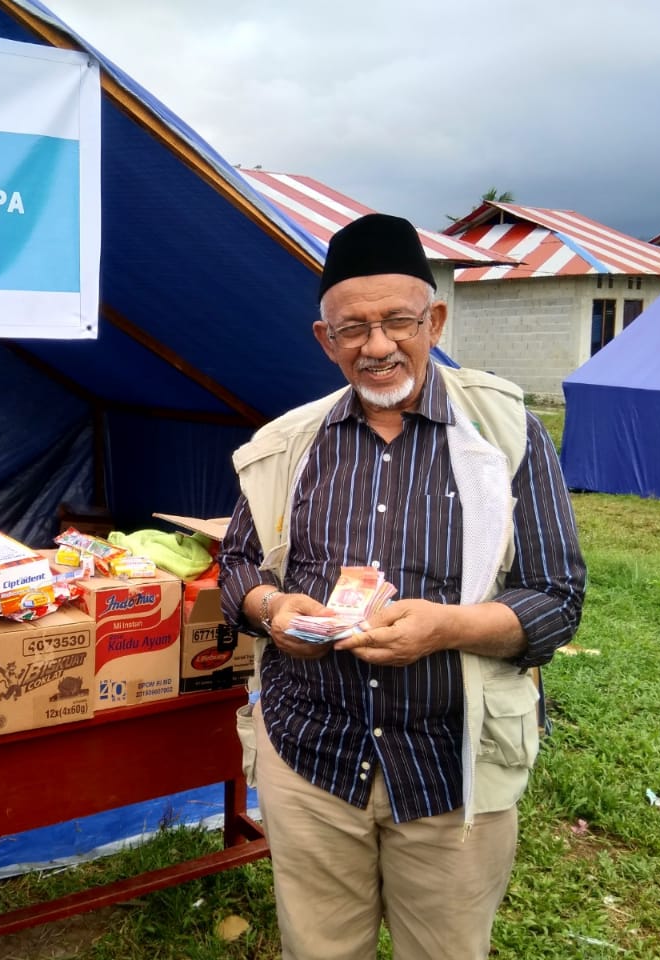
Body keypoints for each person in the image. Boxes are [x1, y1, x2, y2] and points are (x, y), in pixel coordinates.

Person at [220, 213, 586, 960]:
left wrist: (446, 628)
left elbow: (557, 599)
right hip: (311, 761)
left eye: (398, 321)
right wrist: (273, 608)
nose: (378, 346)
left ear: (436, 320)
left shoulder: (506, 432)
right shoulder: (288, 445)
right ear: (326, 340)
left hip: (453, 771)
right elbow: (236, 566)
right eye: (353, 328)